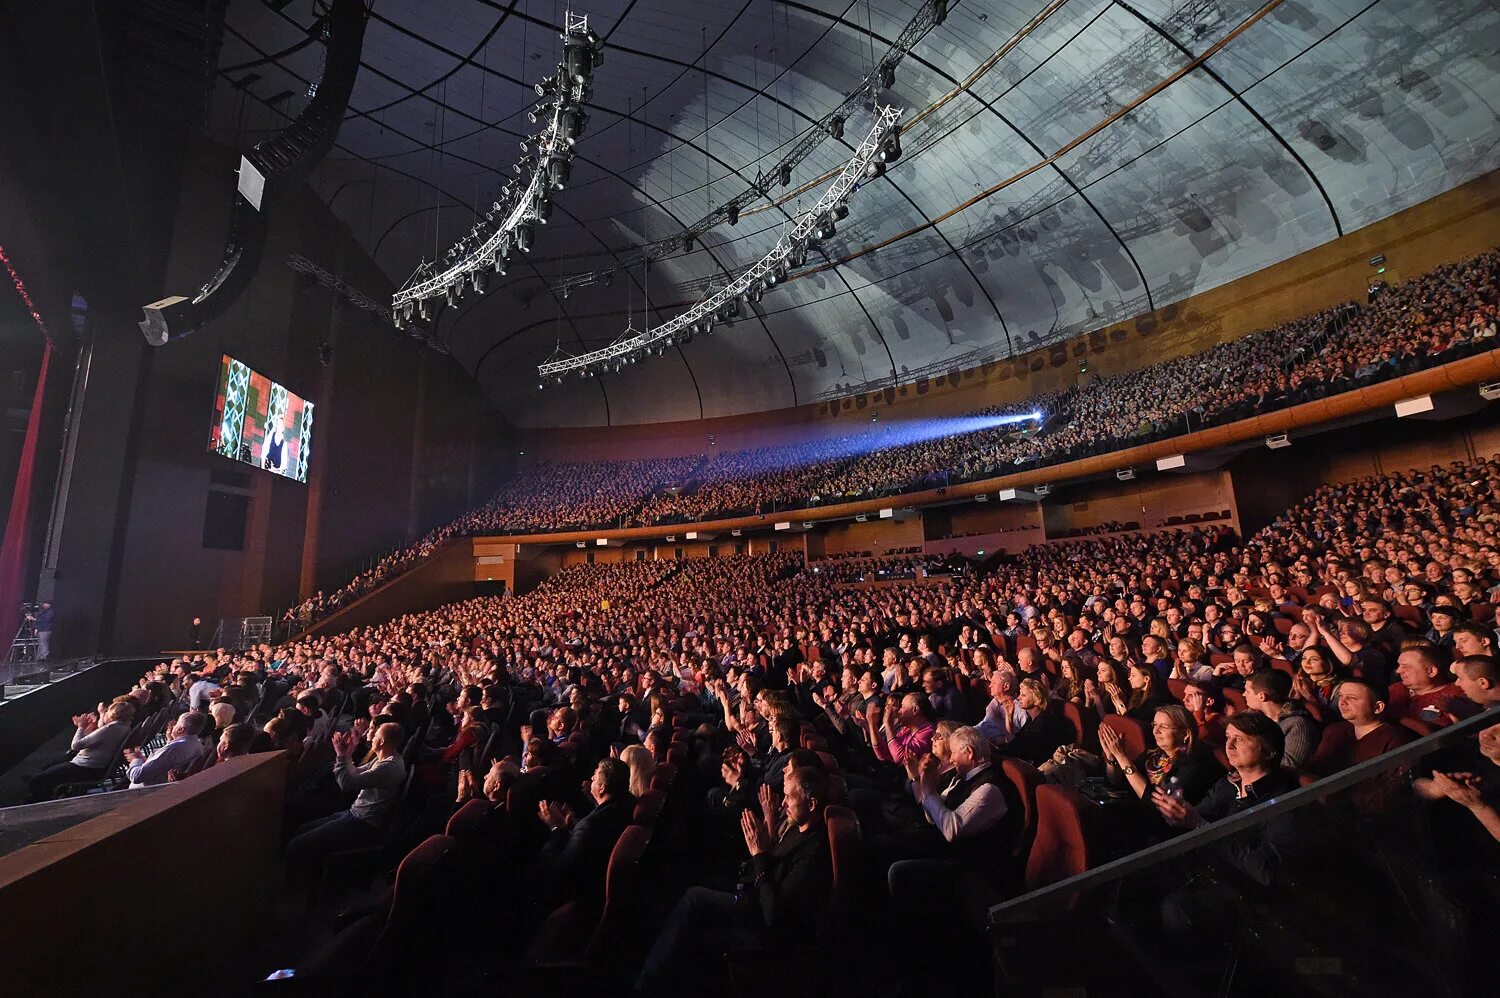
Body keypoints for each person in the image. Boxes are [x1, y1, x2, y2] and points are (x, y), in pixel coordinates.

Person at [636, 767, 833, 997]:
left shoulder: (813, 852)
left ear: (811, 804)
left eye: (789, 797)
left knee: (694, 899)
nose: (783, 803)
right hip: (752, 897)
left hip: (763, 929)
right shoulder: (797, 828)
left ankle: (645, 984)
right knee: (697, 879)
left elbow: (773, 914)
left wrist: (759, 854)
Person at [1154, 712, 1309, 939]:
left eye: (1241, 739)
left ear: (1268, 751)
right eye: (1228, 737)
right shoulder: (1227, 784)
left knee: (1175, 909)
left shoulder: (1284, 801)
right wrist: (1177, 816)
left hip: (1243, 893)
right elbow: (1197, 819)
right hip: (1205, 870)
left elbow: (1265, 871)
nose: (1229, 745)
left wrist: (1199, 825)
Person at [284, 723, 407, 883]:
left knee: (295, 846)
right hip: (355, 814)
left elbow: (347, 784)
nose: (371, 736)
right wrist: (347, 754)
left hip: (363, 823)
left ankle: (301, 885)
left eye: (375, 734)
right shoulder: (385, 759)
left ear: (381, 741)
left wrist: (342, 755)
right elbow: (354, 773)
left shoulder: (388, 768)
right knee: (302, 829)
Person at [536, 757, 635, 909]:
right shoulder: (630, 802)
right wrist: (571, 827)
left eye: (594, 777)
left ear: (602, 788)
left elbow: (560, 870)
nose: (591, 779)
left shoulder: (589, 826)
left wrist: (555, 828)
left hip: (583, 899)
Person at [1098, 704, 1223, 806]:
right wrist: (1112, 759)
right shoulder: (1155, 755)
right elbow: (1118, 782)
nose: (1156, 731)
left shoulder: (1195, 764)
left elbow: (1154, 804)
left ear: (1185, 734)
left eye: (1163, 727)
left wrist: (1122, 757)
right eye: (1155, 725)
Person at [27, 701, 133, 802]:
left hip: (86, 768)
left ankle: (40, 804)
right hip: (95, 766)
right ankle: (55, 793)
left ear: (113, 714)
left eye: (108, 711)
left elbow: (76, 745)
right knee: (49, 771)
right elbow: (92, 742)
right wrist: (89, 728)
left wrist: (81, 727)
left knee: (36, 781)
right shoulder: (124, 727)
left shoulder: (111, 728)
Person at [1242, 669, 1321, 770]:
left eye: (1247, 691)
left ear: (1262, 696)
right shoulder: (1253, 718)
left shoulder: (1297, 724)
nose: (1243, 694)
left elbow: (1289, 766)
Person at [125, 711, 209, 786]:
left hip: (149, 790)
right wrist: (170, 741)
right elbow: (170, 761)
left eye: (176, 724)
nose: (173, 726)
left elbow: (137, 777)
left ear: (181, 729)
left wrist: (134, 760)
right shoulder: (197, 744)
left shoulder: (174, 749)